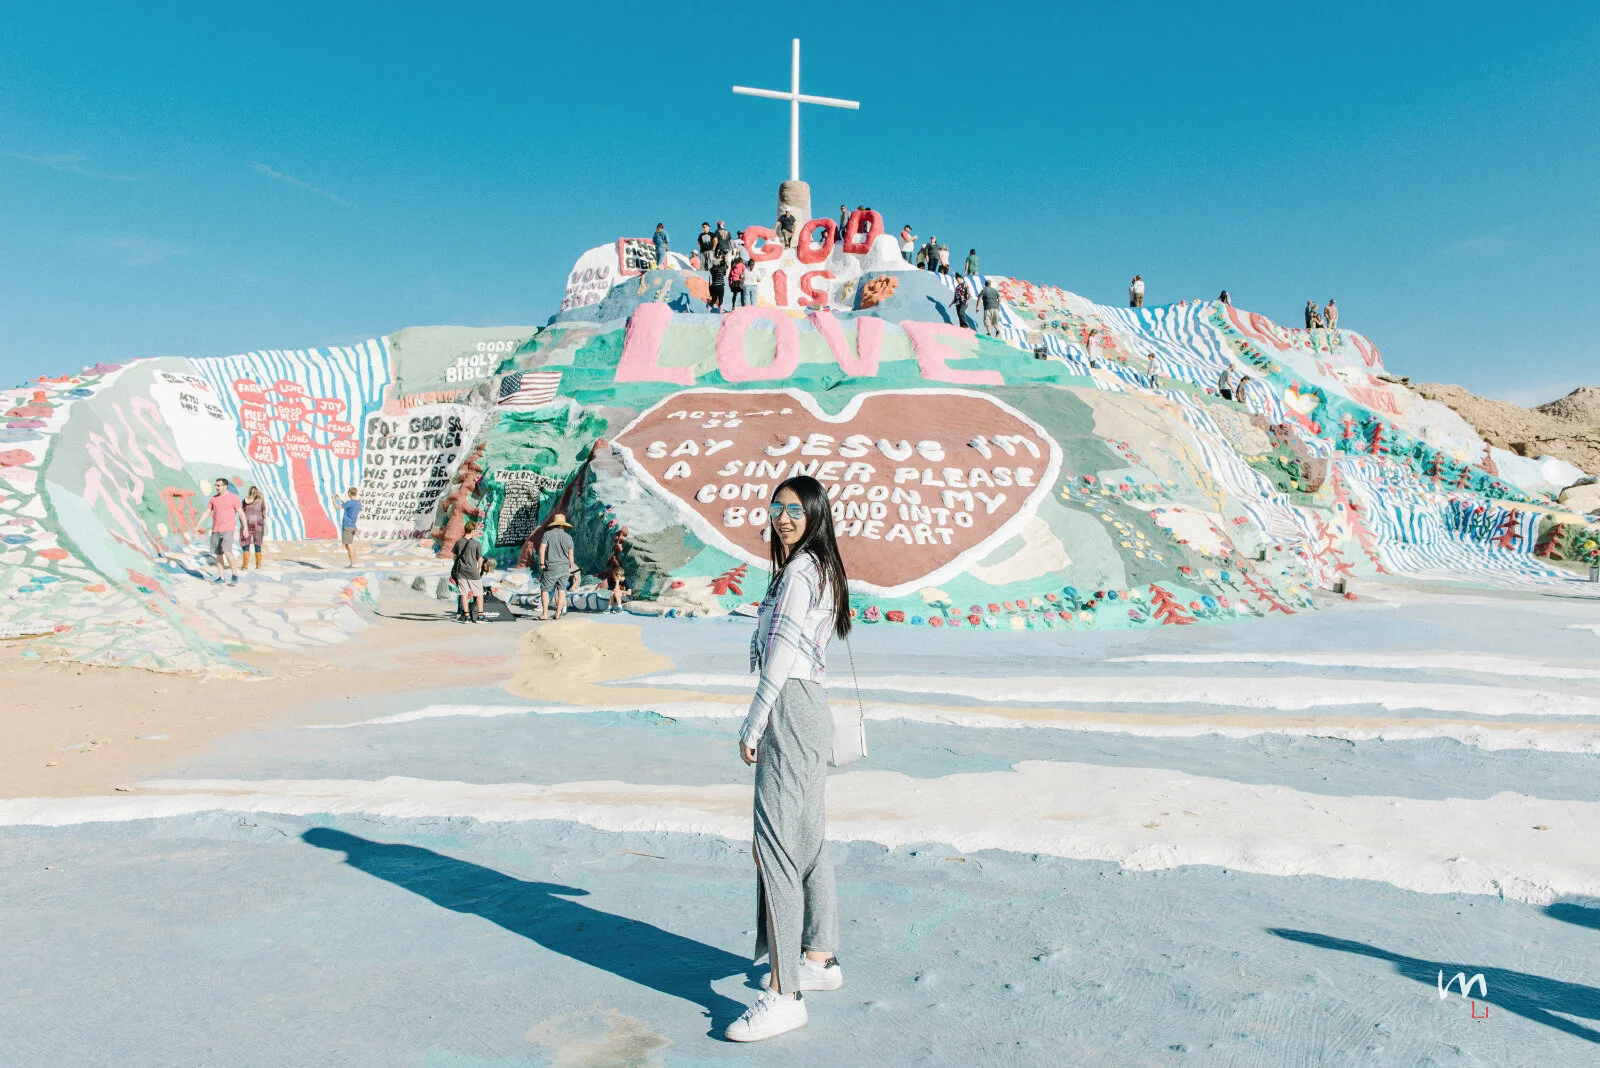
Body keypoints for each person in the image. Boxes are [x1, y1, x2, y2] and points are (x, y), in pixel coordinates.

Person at [725, 475, 852, 1043]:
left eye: (794, 509)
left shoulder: (800, 571)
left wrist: (755, 720)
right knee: (808, 840)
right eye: (776, 507)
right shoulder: (819, 567)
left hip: (789, 706)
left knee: (774, 846)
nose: (782, 517)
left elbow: (780, 654)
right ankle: (819, 958)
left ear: (815, 513)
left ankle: (784, 993)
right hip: (811, 708)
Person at [203, 477, 245, 585]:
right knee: (218, 554)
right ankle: (221, 578)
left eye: (218, 485)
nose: (216, 487)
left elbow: (241, 513)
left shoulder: (233, 498)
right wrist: (197, 525)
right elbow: (207, 512)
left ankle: (234, 574)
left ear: (225, 486)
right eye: (216, 485)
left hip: (228, 529)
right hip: (216, 529)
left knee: (227, 551)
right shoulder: (213, 499)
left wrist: (245, 527)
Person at [537, 513, 577, 620]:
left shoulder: (547, 534)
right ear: (563, 525)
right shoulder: (568, 537)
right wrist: (571, 567)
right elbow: (571, 555)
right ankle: (558, 614)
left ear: (554, 523)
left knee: (545, 589)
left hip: (552, 566)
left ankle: (545, 614)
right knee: (562, 590)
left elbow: (541, 549)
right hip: (565, 567)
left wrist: (542, 563)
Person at [452, 520, 486, 624]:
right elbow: (480, 559)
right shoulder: (476, 544)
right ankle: (480, 616)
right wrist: (478, 569)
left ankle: (466, 616)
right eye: (475, 531)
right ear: (472, 531)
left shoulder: (458, 542)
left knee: (464, 593)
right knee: (479, 593)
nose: (475, 532)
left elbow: (454, 557)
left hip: (461, 571)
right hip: (473, 572)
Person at [241, 485, 267, 569]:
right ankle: (258, 565)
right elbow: (264, 514)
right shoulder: (260, 501)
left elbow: (241, 512)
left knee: (246, 544)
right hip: (258, 525)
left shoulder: (244, 501)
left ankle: (245, 565)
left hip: (246, 524)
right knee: (257, 544)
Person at [334, 487, 361, 565]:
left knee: (349, 546)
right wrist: (339, 499)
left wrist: (333, 499)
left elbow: (337, 507)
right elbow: (348, 506)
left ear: (349, 493)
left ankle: (353, 563)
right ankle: (353, 562)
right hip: (352, 526)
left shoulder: (350, 503)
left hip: (348, 525)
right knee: (349, 545)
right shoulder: (357, 503)